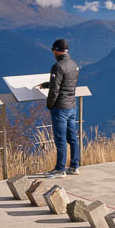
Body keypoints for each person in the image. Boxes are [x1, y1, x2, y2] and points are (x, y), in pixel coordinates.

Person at [37, 38, 80, 177]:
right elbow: (65, 83)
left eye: (53, 50)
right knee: (72, 138)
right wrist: (46, 84)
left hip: (60, 107)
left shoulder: (57, 66)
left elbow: (55, 89)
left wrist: (49, 105)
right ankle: (74, 166)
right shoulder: (74, 65)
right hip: (72, 106)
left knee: (60, 139)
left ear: (56, 50)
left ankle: (60, 169)